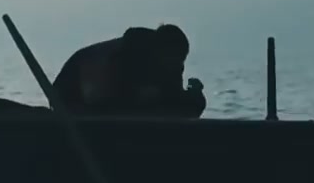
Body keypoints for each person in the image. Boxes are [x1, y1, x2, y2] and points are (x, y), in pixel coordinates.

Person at [52, 24, 205, 117]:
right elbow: (106, 101)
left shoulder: (170, 67)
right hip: (71, 94)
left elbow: (176, 100)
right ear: (159, 51)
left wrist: (193, 95)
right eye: (172, 59)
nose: (177, 67)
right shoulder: (125, 57)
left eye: (180, 61)